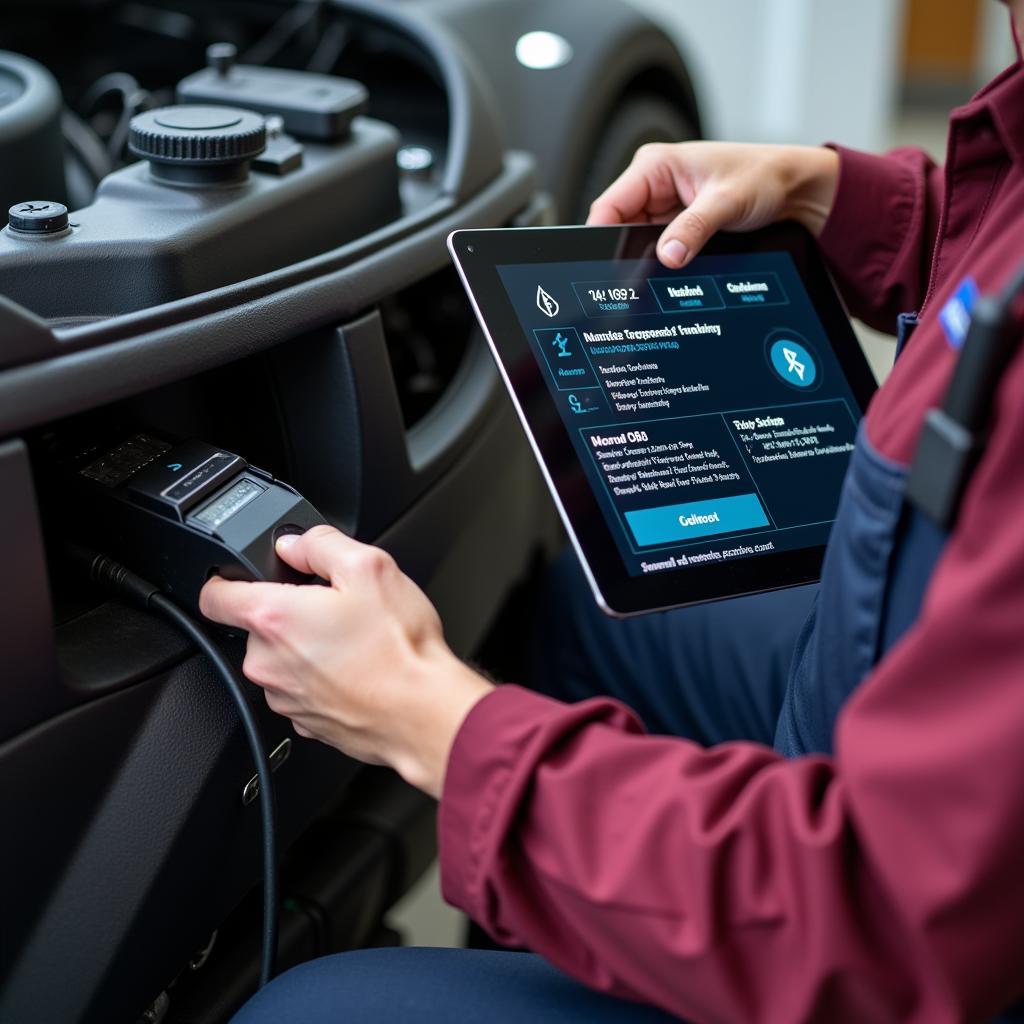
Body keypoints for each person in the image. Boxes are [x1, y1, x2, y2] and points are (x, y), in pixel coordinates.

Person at [213, 5, 1024, 1021]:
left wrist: (431, 718)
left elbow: (882, 913)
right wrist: (852, 200)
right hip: (911, 689)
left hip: (899, 943)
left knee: (311, 1011)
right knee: (594, 615)